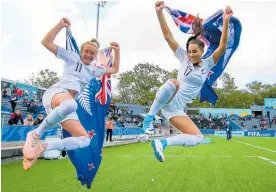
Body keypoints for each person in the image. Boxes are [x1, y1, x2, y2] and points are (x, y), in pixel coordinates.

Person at [22, 17, 120, 170]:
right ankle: (35, 134)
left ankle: (42, 146)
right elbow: (46, 42)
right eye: (86, 51)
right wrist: (60, 25)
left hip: (66, 107)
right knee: (70, 104)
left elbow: (114, 70)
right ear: (81, 51)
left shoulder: (94, 69)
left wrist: (117, 51)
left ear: (95, 56)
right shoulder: (71, 57)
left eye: (92, 54)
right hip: (56, 94)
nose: (89, 55)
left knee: (85, 140)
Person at [143, 1, 233, 162]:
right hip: (170, 97)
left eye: (194, 52)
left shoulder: (208, 63)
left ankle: (162, 143)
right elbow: (168, 36)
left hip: (176, 109)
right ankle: (149, 117)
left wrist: (226, 20)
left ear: (202, 51)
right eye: (189, 51)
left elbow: (223, 45)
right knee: (174, 82)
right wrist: (159, 13)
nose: (191, 55)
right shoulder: (183, 57)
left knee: (197, 137)